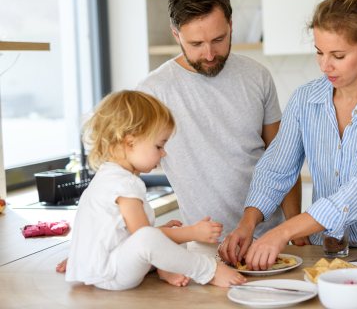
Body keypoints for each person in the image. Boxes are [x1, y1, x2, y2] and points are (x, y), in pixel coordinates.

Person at [57, 0, 304, 274]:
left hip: (270, 239)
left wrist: (293, 229)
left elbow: (283, 159)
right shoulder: (153, 90)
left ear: (230, 26)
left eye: (218, 39)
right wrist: (91, 248)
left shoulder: (258, 76)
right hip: (202, 245)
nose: (209, 54)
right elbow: (114, 176)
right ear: (176, 35)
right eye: (196, 44)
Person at [219, 0, 357, 270]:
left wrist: (282, 232)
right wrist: (247, 224)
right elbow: (277, 170)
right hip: (327, 255)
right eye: (319, 52)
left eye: (338, 56)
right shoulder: (305, 101)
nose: (325, 66)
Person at [65, 90, 246, 290]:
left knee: (163, 238)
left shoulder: (107, 175)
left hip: (102, 268)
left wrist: (165, 234)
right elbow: (144, 238)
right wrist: (192, 232)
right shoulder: (124, 183)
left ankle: (164, 267)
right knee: (153, 238)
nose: (164, 152)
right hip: (113, 273)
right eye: (159, 146)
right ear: (129, 143)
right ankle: (209, 271)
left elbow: (129, 236)